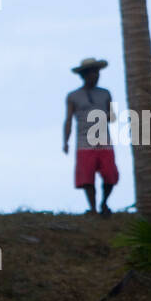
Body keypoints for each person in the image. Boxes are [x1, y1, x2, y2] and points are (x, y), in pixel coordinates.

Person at [63, 57, 119, 215]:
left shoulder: (105, 93)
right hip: (84, 141)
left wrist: (105, 116)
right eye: (92, 72)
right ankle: (93, 208)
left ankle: (104, 203)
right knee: (86, 177)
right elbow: (68, 119)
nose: (95, 75)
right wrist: (66, 141)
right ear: (84, 75)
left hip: (104, 140)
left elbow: (112, 116)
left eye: (97, 72)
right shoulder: (73, 96)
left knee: (109, 174)